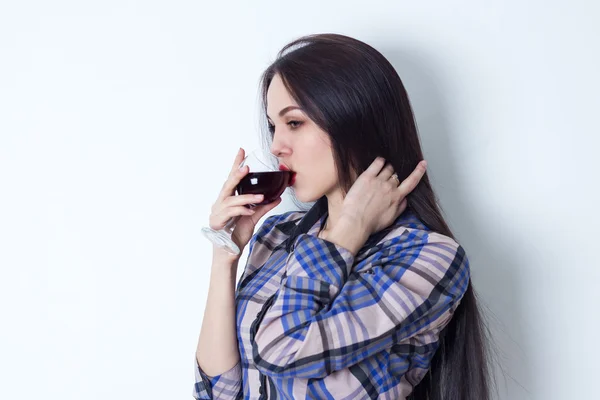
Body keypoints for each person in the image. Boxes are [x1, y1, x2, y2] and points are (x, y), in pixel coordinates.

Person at [194, 33, 493, 399]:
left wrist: (347, 232)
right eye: (274, 126)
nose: (276, 146)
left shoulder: (427, 258)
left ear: (352, 118)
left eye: (295, 123)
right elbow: (218, 391)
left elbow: (283, 348)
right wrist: (225, 255)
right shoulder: (276, 235)